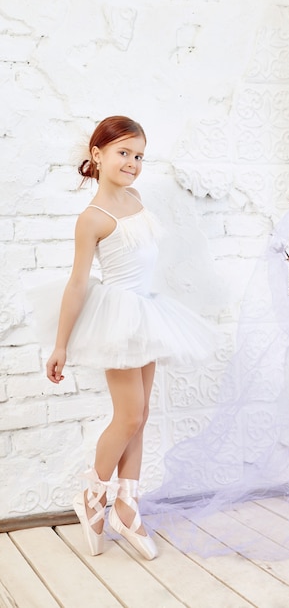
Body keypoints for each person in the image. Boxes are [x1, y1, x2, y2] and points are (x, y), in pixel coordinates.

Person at [43, 115, 215, 559]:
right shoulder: (92, 218)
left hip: (148, 312)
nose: (133, 163)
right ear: (97, 155)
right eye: (124, 153)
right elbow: (78, 283)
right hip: (117, 318)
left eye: (139, 156)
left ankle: (126, 502)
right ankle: (92, 496)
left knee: (141, 415)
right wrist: (61, 344)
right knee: (130, 414)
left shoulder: (136, 198)